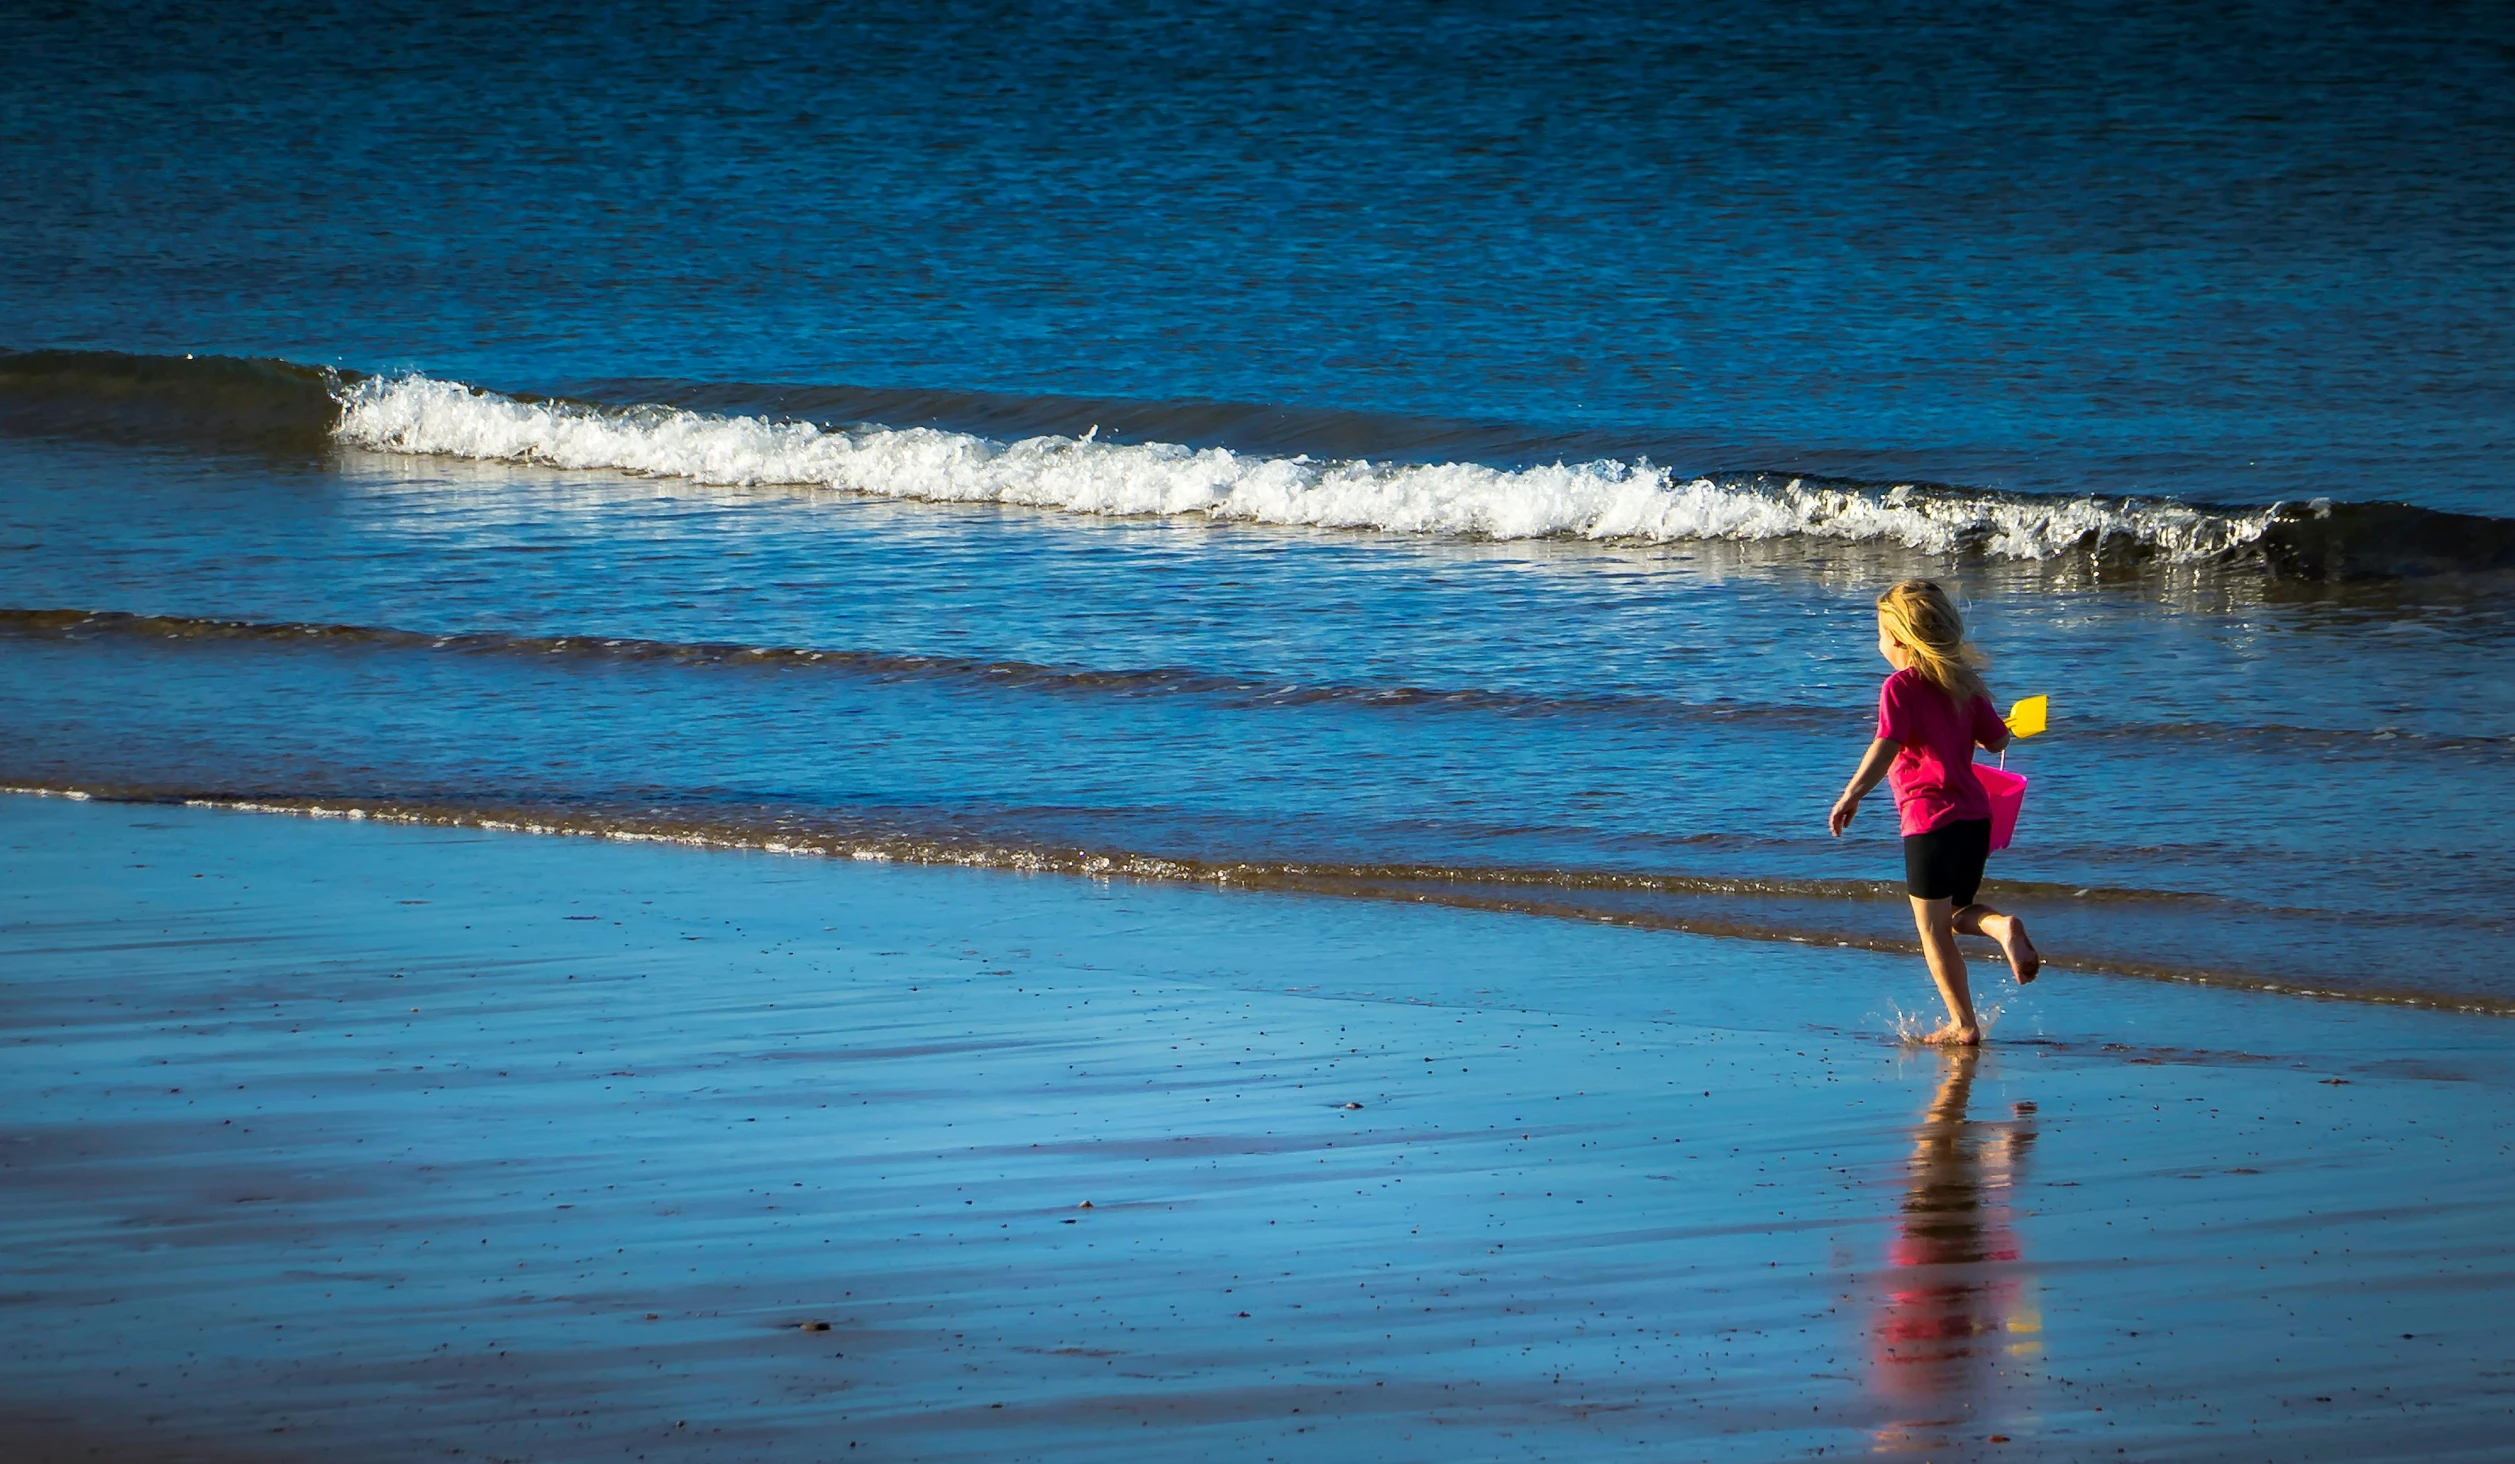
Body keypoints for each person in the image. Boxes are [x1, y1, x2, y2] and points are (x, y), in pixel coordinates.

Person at [1829, 580, 2040, 1044]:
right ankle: (2002, 926)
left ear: (1901, 638)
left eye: (1881, 633)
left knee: (1932, 931)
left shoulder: (1899, 688)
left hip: (1929, 822)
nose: (1879, 643)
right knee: (1958, 912)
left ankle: (1963, 1024)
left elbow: (1887, 746)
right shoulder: (1964, 682)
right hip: (1975, 820)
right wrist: (1998, 722)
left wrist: (1853, 793)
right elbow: (1998, 741)